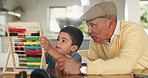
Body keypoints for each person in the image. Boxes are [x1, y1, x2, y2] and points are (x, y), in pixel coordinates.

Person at [56, 1, 148, 75]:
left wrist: (82, 68)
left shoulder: (133, 31)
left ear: (110, 23)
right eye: (88, 25)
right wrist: (65, 52)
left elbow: (126, 64)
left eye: (92, 25)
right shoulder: (97, 38)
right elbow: (91, 56)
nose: (89, 30)